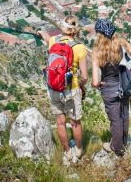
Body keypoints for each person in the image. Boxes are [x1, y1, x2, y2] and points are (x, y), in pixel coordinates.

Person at [91, 18, 131, 156]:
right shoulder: (122, 44)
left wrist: (97, 85)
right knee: (125, 115)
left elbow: (95, 81)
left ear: (99, 34)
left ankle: (117, 148)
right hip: (124, 86)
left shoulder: (97, 51)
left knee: (115, 120)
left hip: (109, 90)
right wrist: (130, 71)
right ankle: (124, 142)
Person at [38, 15, 88, 165]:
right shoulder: (79, 48)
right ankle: (78, 150)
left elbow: (47, 37)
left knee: (60, 122)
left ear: (63, 28)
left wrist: (40, 32)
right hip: (71, 90)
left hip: (54, 88)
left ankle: (67, 151)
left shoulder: (53, 41)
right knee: (75, 123)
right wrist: (81, 87)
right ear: (75, 31)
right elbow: (85, 76)